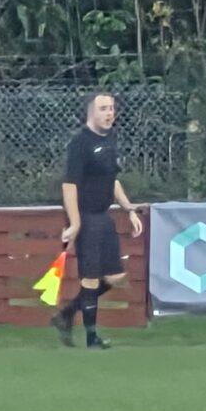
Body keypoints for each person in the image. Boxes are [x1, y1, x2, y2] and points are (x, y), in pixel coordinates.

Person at [50, 92, 144, 349]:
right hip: (86, 217)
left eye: (112, 108)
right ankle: (92, 338)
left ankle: (66, 315)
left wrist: (128, 208)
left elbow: (112, 180)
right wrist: (75, 223)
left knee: (115, 276)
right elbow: (69, 186)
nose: (109, 113)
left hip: (104, 216)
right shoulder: (80, 143)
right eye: (103, 108)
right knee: (89, 279)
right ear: (91, 112)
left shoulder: (110, 140)